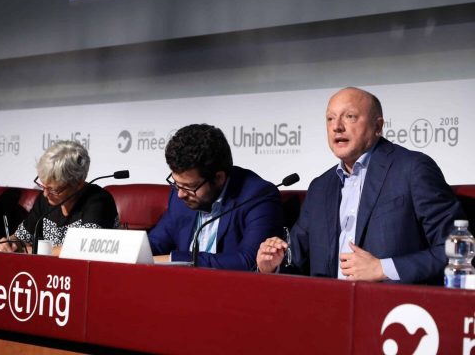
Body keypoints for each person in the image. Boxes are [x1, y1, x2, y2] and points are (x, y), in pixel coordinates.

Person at [257, 87, 464, 284]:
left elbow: (458, 250)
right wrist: (272, 265)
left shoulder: (412, 169)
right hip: (328, 310)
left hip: (393, 312)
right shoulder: (320, 188)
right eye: (330, 118)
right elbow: (296, 260)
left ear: (378, 126)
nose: (337, 126)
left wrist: (383, 268)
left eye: (350, 117)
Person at [149, 123, 283, 270]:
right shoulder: (180, 194)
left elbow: (249, 261)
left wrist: (174, 259)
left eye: (189, 187)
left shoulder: (257, 196)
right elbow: (155, 243)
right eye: (176, 183)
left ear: (219, 178)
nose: (180, 194)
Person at [0, 140, 118, 256]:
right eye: (43, 186)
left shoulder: (98, 201)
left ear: (78, 184)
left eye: (54, 189)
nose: (45, 194)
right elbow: (22, 238)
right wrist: (9, 243)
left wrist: (34, 251)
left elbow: (84, 247)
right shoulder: (46, 199)